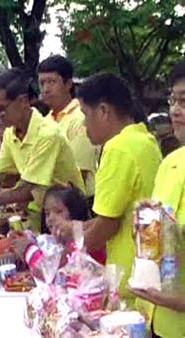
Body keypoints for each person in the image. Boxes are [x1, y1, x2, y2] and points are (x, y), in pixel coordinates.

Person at [54, 73, 162, 304]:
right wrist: (77, 228)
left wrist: (63, 260)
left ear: (103, 111)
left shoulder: (117, 148)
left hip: (130, 280)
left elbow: (107, 225)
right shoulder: (145, 140)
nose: (83, 125)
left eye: (85, 114)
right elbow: (117, 215)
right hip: (149, 273)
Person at [0, 68, 85, 229]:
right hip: (41, 210)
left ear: (23, 102)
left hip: (67, 215)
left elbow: (27, 191)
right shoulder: (10, 132)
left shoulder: (48, 134)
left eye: (2, 108)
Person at [130, 62, 185, 338]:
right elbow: (155, 237)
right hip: (156, 319)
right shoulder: (171, 162)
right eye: (173, 100)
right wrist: (142, 222)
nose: (175, 110)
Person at [38, 55, 98, 198]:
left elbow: (78, 175)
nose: (45, 89)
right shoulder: (44, 121)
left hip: (76, 202)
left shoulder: (80, 118)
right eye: (42, 83)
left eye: (52, 82)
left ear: (68, 84)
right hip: (49, 201)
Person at [41, 185, 106, 265]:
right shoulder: (47, 243)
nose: (50, 218)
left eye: (58, 212)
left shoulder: (90, 240)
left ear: (75, 212)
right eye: (47, 213)